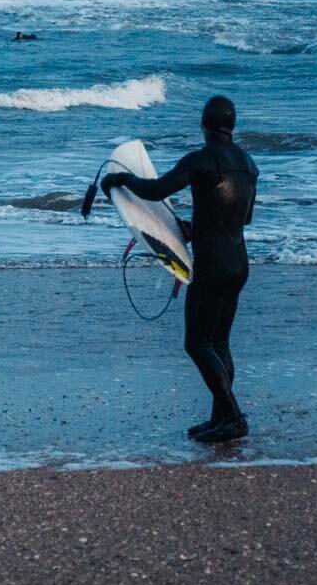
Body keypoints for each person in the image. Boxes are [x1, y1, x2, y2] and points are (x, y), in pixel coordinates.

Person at [101, 96, 258, 443]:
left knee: (197, 343)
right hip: (238, 263)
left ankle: (232, 415)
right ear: (231, 126)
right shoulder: (248, 165)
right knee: (218, 341)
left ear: (204, 125)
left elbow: (156, 190)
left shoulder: (201, 161)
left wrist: (121, 180)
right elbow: (242, 218)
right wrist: (193, 228)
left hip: (213, 267)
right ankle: (220, 419)